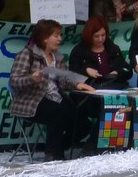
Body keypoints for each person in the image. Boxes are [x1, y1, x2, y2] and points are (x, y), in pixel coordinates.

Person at [8, 19, 94, 160]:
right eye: (56, 35)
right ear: (44, 37)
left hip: (56, 98)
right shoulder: (28, 54)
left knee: (84, 123)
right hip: (32, 101)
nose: (60, 39)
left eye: (60, 35)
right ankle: (53, 155)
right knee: (57, 114)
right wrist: (31, 78)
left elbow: (65, 79)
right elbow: (14, 80)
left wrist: (78, 84)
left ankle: (58, 147)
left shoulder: (57, 57)